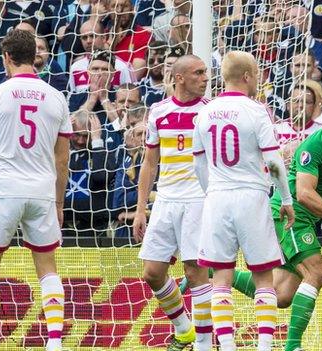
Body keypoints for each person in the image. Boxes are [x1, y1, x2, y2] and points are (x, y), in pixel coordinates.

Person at [0, 29, 72, 351]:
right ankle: (54, 343)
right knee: (47, 269)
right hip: (41, 191)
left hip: (5, 189)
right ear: (35, 56)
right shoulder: (57, 97)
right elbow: (62, 158)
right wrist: (58, 203)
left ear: (7, 58)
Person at [192, 50, 295, 351]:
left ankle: (226, 346)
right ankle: (263, 347)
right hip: (252, 196)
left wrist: (211, 192)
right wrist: (286, 198)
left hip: (218, 197)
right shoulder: (256, 110)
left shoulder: (204, 112)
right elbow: (274, 161)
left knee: (221, 277)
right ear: (248, 76)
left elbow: (199, 164)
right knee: (263, 277)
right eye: (257, 74)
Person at [132, 55, 213, 351]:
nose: (205, 78)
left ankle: (205, 344)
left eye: (206, 73)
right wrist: (141, 209)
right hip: (166, 200)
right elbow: (149, 162)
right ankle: (184, 329)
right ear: (179, 78)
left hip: (198, 200)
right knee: (152, 273)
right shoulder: (158, 111)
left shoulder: (209, 112)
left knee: (195, 272)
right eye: (198, 73)